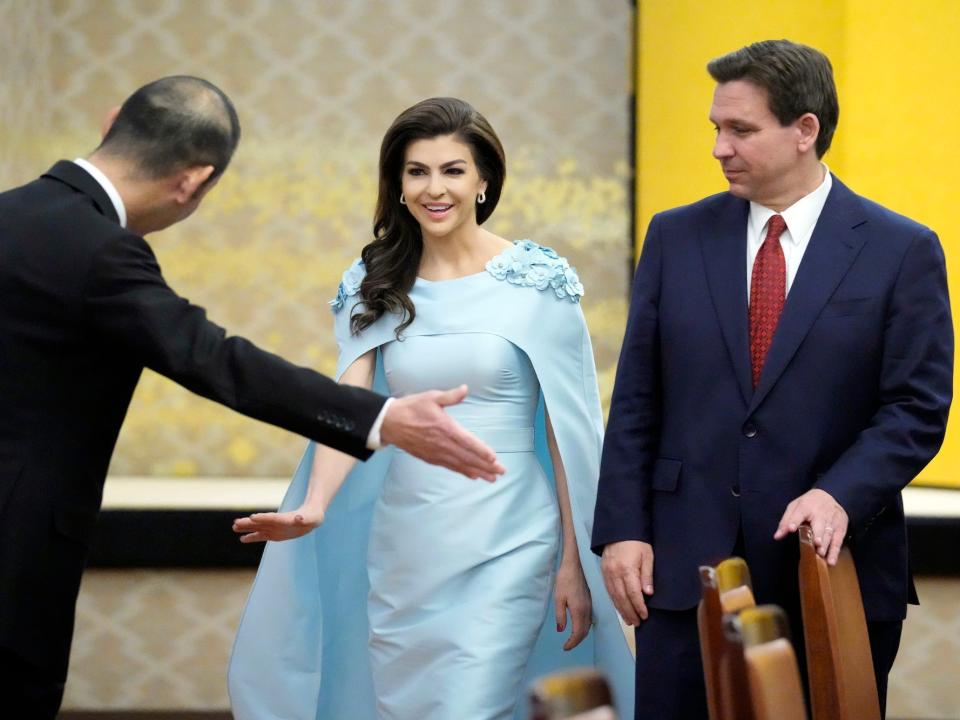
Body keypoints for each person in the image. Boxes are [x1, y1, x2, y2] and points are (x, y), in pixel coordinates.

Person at [0, 76, 506, 718]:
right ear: (192, 181)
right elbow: (214, 359)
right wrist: (378, 415)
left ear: (111, 123)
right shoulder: (102, 253)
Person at [229, 97, 634, 720]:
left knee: (472, 706)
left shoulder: (537, 280)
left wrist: (575, 562)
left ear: (483, 181)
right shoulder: (376, 282)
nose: (433, 188)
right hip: (406, 544)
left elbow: (570, 431)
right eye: (416, 171)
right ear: (397, 184)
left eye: (452, 170)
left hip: (511, 538)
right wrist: (313, 506)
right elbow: (351, 407)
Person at [592, 39, 952, 720]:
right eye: (715, 129)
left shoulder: (901, 249)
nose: (719, 148)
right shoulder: (675, 237)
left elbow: (916, 407)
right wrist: (622, 530)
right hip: (683, 574)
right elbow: (638, 398)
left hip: (829, 574)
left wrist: (839, 494)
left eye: (741, 130)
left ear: (805, 131)